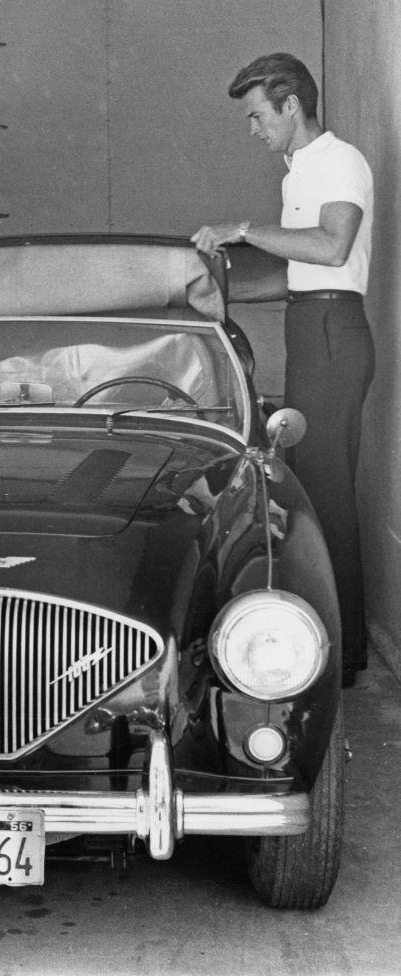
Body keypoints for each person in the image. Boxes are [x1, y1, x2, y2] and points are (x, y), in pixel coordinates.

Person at [190, 52, 375, 686]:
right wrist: (221, 290)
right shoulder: (299, 172)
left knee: (326, 495)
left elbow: (332, 247)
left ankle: (344, 659)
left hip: (332, 333)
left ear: (291, 104)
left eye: (257, 115)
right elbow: (301, 274)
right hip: (313, 321)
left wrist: (240, 228)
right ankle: (335, 646)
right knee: (313, 493)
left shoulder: (337, 162)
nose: (254, 129)